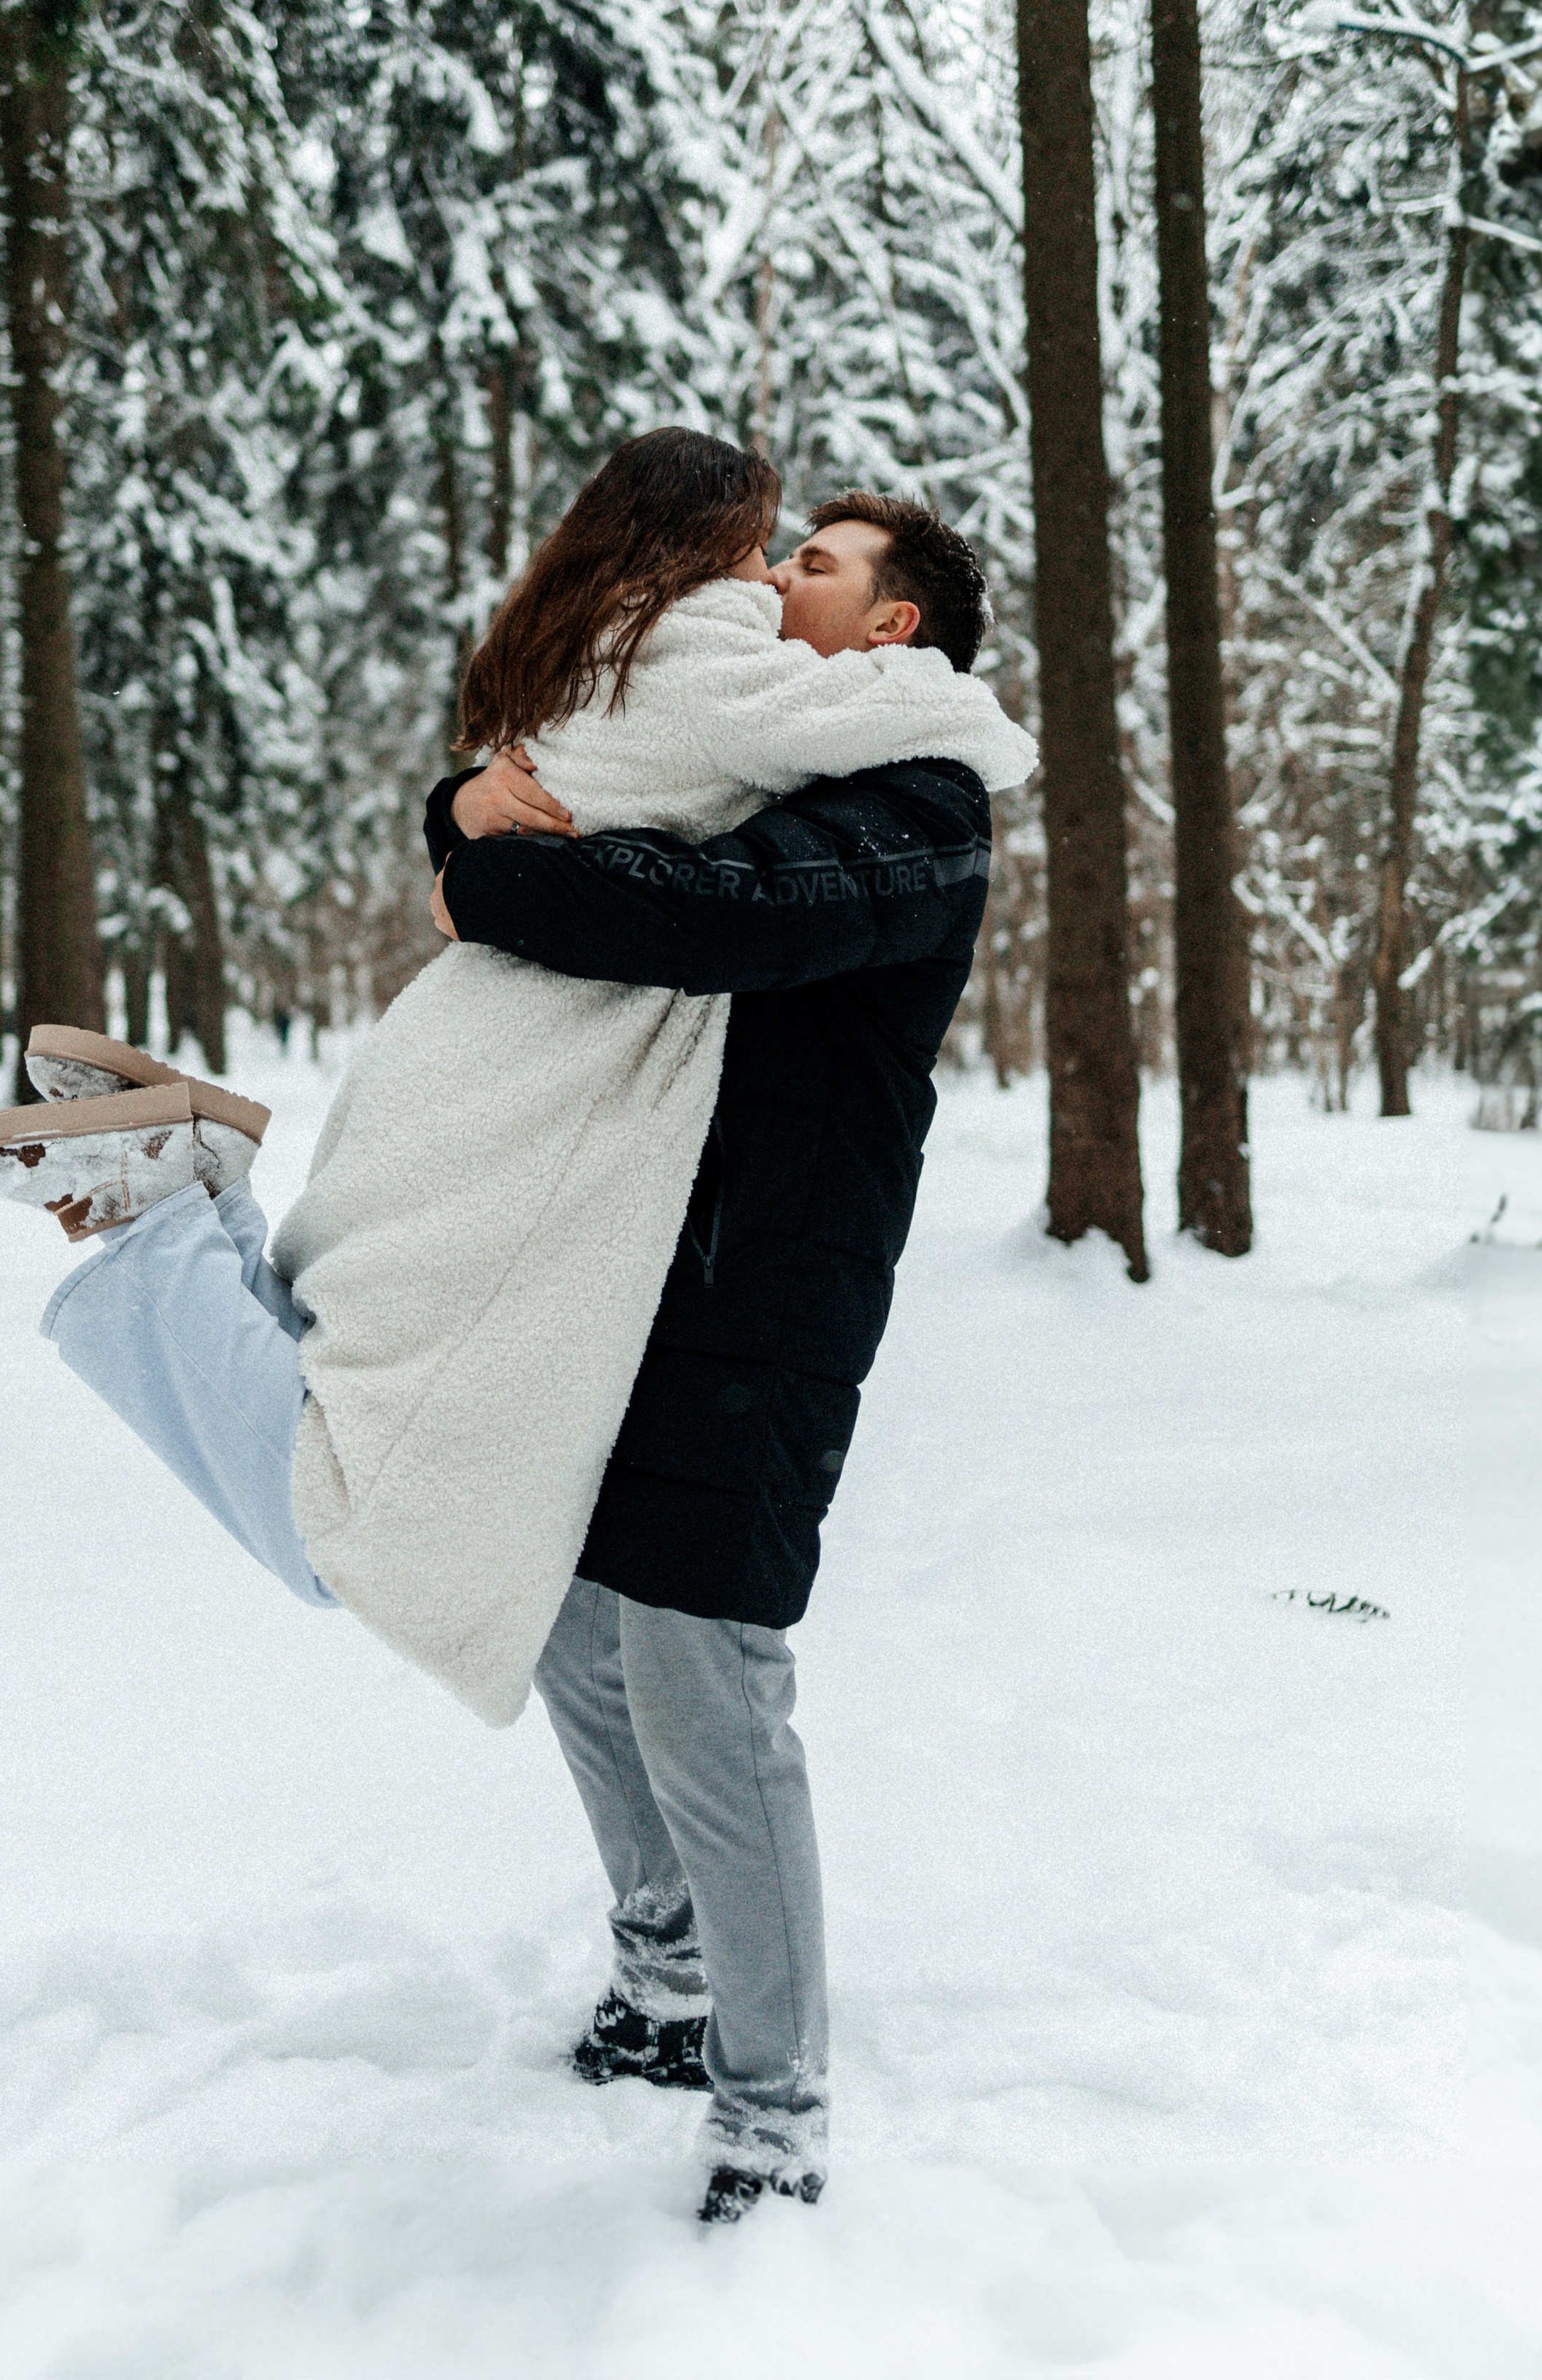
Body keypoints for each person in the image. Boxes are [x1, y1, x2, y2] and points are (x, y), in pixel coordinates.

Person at [426, 488, 1006, 2221]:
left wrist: (495, 875)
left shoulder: (920, 803)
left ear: (889, 625)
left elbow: (717, 912)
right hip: (618, 1262)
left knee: (703, 1676)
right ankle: (667, 1978)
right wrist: (461, 816)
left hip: (764, 1295)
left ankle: (770, 2111)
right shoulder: (757, 749)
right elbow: (574, 789)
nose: (764, 579)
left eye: (809, 565)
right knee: (575, 1624)